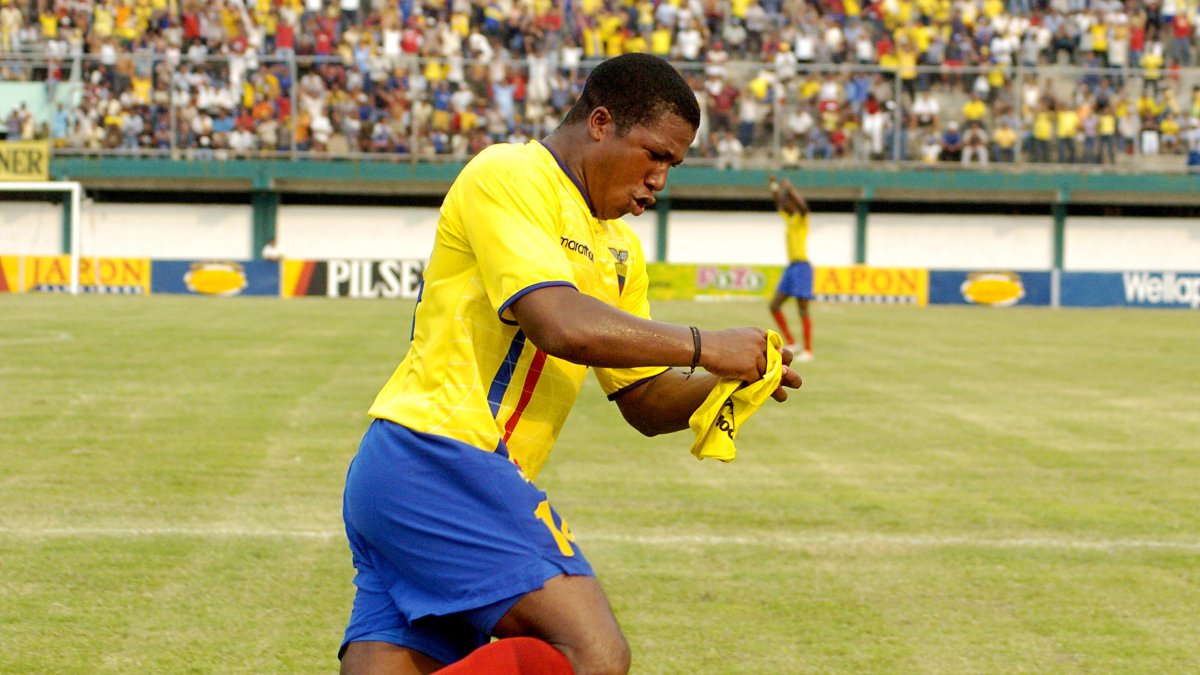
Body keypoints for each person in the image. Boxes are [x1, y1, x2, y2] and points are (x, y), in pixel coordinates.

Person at [338, 53, 802, 675]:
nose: (661, 179)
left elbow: (643, 402)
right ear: (602, 123)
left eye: (674, 164)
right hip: (440, 457)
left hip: (431, 475)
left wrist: (727, 380)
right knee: (594, 654)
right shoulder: (509, 173)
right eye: (655, 155)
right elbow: (558, 324)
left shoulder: (620, 251)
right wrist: (705, 343)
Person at [767, 174, 814, 362]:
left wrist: (791, 189)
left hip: (802, 266)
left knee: (802, 309)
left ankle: (808, 350)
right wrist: (774, 186)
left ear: (792, 203)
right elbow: (778, 202)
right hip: (792, 268)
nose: (783, 205)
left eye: (787, 202)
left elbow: (804, 206)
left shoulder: (801, 218)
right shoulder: (789, 218)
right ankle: (792, 341)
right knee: (774, 305)